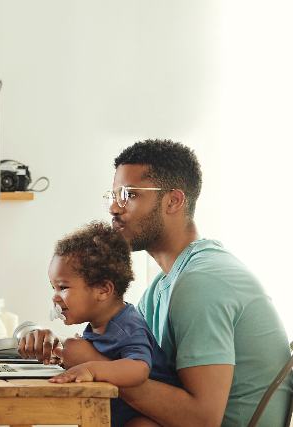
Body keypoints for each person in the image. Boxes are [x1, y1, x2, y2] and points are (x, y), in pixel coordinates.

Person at [19, 139, 292, 426]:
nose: (114, 207)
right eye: (113, 195)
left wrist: (96, 364)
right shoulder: (163, 285)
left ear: (173, 201)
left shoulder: (202, 282)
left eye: (129, 195)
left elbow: (201, 419)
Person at [45, 221, 179, 427]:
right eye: (53, 287)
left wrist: (91, 369)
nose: (55, 297)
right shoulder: (98, 325)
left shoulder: (127, 326)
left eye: (62, 287)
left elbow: (139, 368)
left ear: (103, 290)